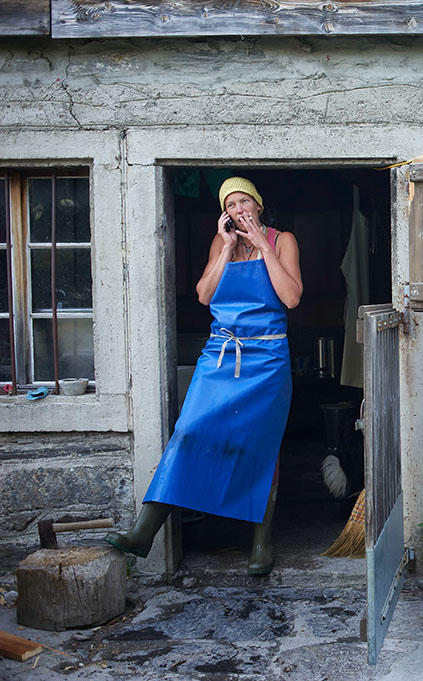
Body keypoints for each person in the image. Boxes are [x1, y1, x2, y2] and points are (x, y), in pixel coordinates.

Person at [105, 177, 302, 575]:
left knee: (260, 444)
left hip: (267, 357)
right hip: (220, 354)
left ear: (258, 205)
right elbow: (204, 295)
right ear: (224, 213)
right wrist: (228, 247)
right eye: (230, 205)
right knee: (190, 430)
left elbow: (292, 297)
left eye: (244, 200)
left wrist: (262, 246)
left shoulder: (283, 240)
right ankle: (144, 532)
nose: (238, 209)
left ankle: (260, 545)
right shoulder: (221, 244)